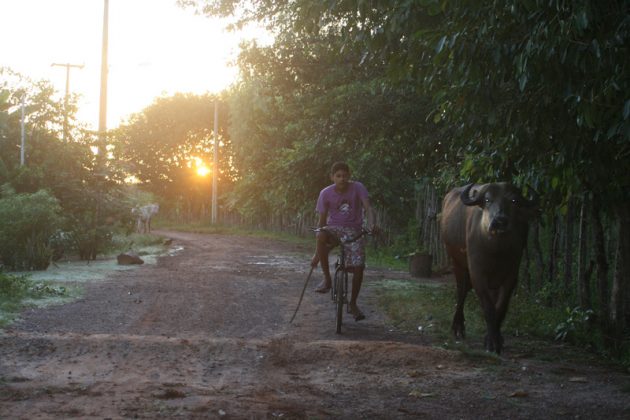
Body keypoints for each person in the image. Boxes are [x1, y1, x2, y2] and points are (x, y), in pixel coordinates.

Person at [310, 161, 377, 321]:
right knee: (321, 234)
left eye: (345, 176)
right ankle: (327, 279)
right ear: (332, 177)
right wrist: (316, 253)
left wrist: (372, 223)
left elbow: (368, 207)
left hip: (354, 230)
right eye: (338, 176)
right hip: (333, 229)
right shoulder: (325, 193)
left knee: (359, 266)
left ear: (349, 176)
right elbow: (322, 221)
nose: (342, 179)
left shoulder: (358, 187)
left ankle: (353, 304)